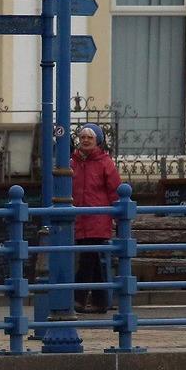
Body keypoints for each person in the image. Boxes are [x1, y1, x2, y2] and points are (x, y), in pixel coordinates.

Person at [70, 122, 123, 313]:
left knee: (88, 258)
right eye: (82, 137)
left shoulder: (104, 162)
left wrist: (117, 213)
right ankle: (100, 301)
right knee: (91, 259)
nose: (85, 140)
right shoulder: (72, 162)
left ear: (97, 141)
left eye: (89, 137)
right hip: (80, 217)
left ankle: (79, 298)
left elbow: (115, 189)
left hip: (97, 217)